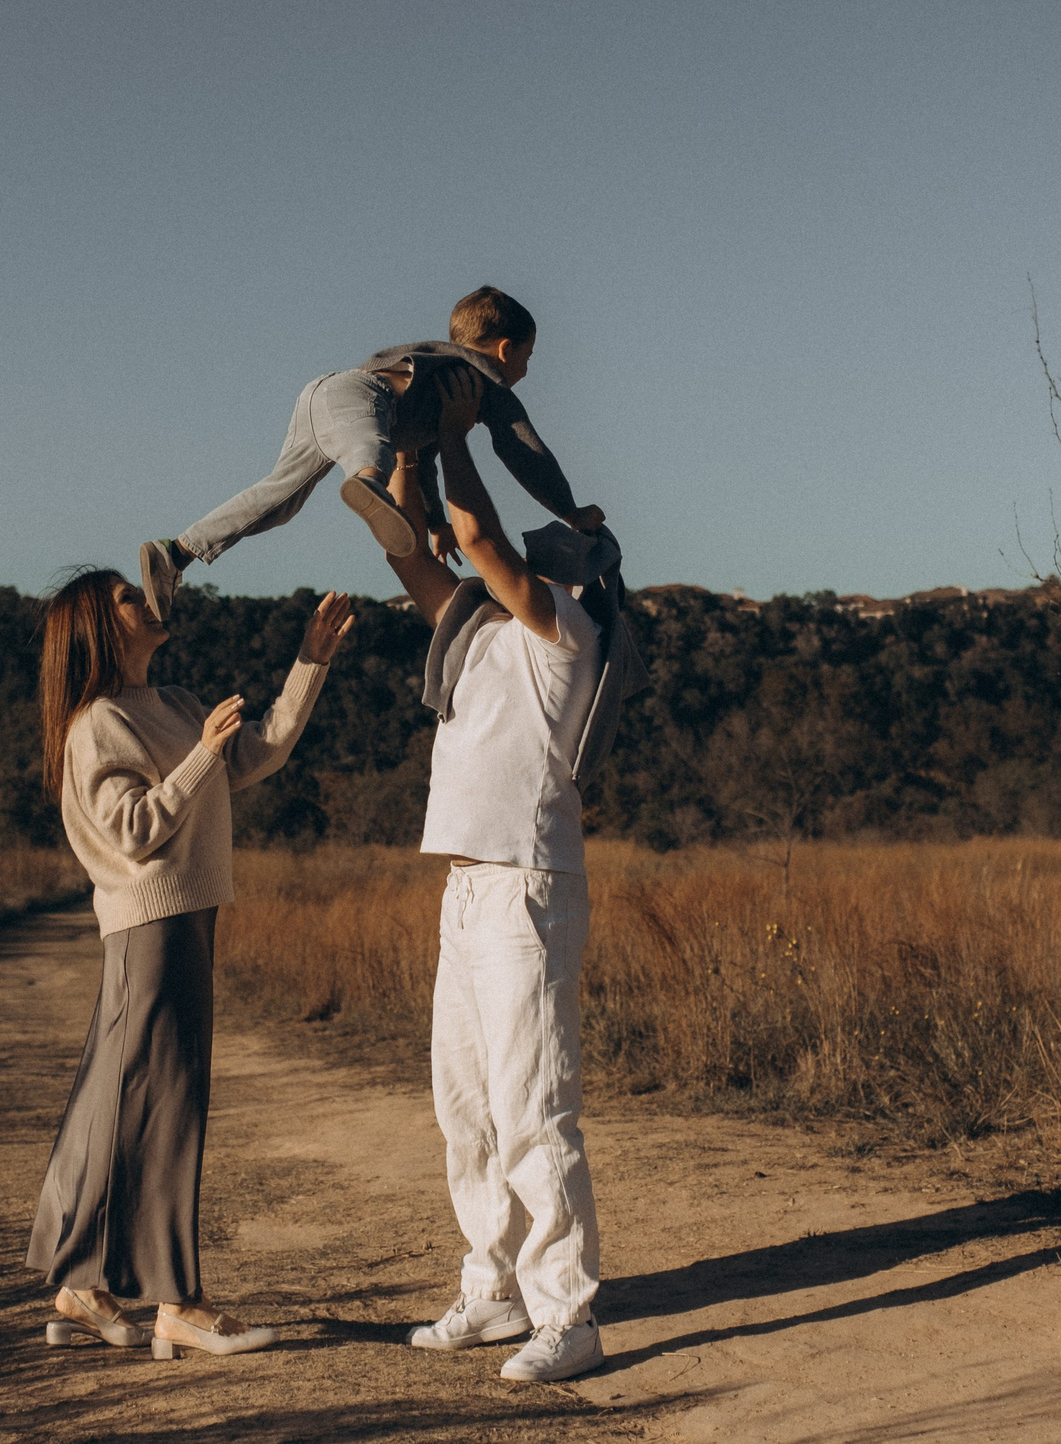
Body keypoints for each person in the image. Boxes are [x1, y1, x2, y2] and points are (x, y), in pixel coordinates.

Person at [379, 367, 644, 1384]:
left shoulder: (563, 630)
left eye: (556, 547)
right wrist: (410, 447)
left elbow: (480, 541)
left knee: (534, 1104)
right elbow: (415, 551)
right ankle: (490, 1289)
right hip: (467, 885)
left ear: (580, 573)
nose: (539, 549)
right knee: (468, 1104)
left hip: (528, 884)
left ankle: (567, 1313)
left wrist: (457, 436)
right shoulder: (483, 629)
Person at [25, 566, 355, 1360]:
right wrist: (202, 757)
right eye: (128, 599)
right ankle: (178, 1303)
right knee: (165, 1106)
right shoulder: (95, 724)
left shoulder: (168, 704)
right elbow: (135, 830)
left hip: (182, 919)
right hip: (151, 924)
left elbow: (262, 749)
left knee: (122, 1098)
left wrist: (310, 660)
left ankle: (81, 1284)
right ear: (101, 629)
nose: (148, 601)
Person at [136, 286, 604, 619]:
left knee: (279, 499)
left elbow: (422, 461)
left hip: (326, 396)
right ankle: (365, 483)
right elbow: (525, 451)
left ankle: (176, 553)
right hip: (364, 398)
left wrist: (437, 522)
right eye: (527, 356)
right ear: (503, 350)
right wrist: (569, 509)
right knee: (370, 455)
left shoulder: (444, 380)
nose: (525, 369)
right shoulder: (482, 381)